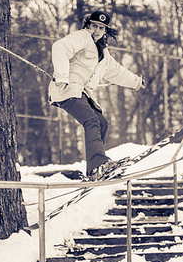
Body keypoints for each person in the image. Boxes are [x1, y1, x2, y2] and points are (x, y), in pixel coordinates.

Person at [48, 10, 146, 180]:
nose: (97, 30)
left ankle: (96, 170)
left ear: (105, 31)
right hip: (67, 88)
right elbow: (60, 47)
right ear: (88, 25)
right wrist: (62, 76)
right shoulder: (83, 37)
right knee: (91, 120)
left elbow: (117, 72)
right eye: (94, 26)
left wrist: (136, 82)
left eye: (101, 28)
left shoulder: (103, 53)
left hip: (81, 92)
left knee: (101, 122)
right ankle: (98, 165)